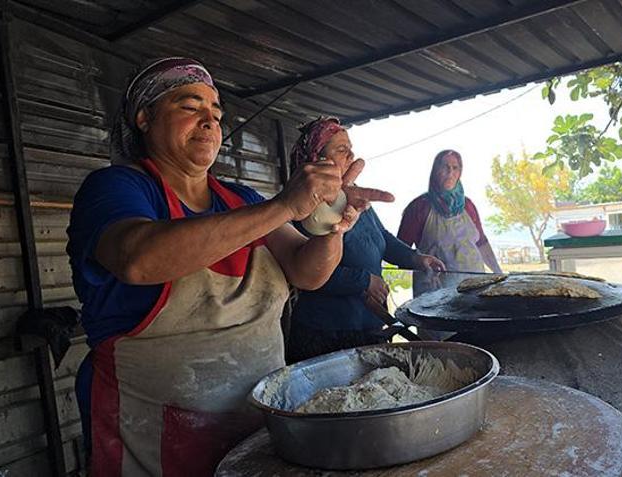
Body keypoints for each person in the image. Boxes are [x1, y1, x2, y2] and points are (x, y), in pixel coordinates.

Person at [66, 58, 390, 476]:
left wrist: (334, 225)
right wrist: (284, 206)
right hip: (153, 439)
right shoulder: (115, 188)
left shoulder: (244, 200)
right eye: (190, 106)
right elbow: (139, 259)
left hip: (255, 425)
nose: (209, 121)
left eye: (216, 113)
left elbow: (308, 272)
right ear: (144, 118)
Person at [285, 118, 445, 364]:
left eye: (350, 148)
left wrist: (416, 258)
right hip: (326, 332)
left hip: (369, 323)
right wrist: (364, 281)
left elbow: (383, 239)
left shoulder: (355, 197)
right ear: (317, 159)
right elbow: (307, 270)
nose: (351, 155)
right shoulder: (303, 204)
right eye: (341, 150)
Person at [398, 149, 502, 295]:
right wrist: (421, 264)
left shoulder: (468, 206)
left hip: (475, 286)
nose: (450, 172)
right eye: (444, 166)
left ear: (460, 173)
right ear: (435, 171)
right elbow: (399, 252)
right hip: (434, 291)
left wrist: (498, 273)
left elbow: (481, 243)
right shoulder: (419, 207)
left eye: (455, 168)